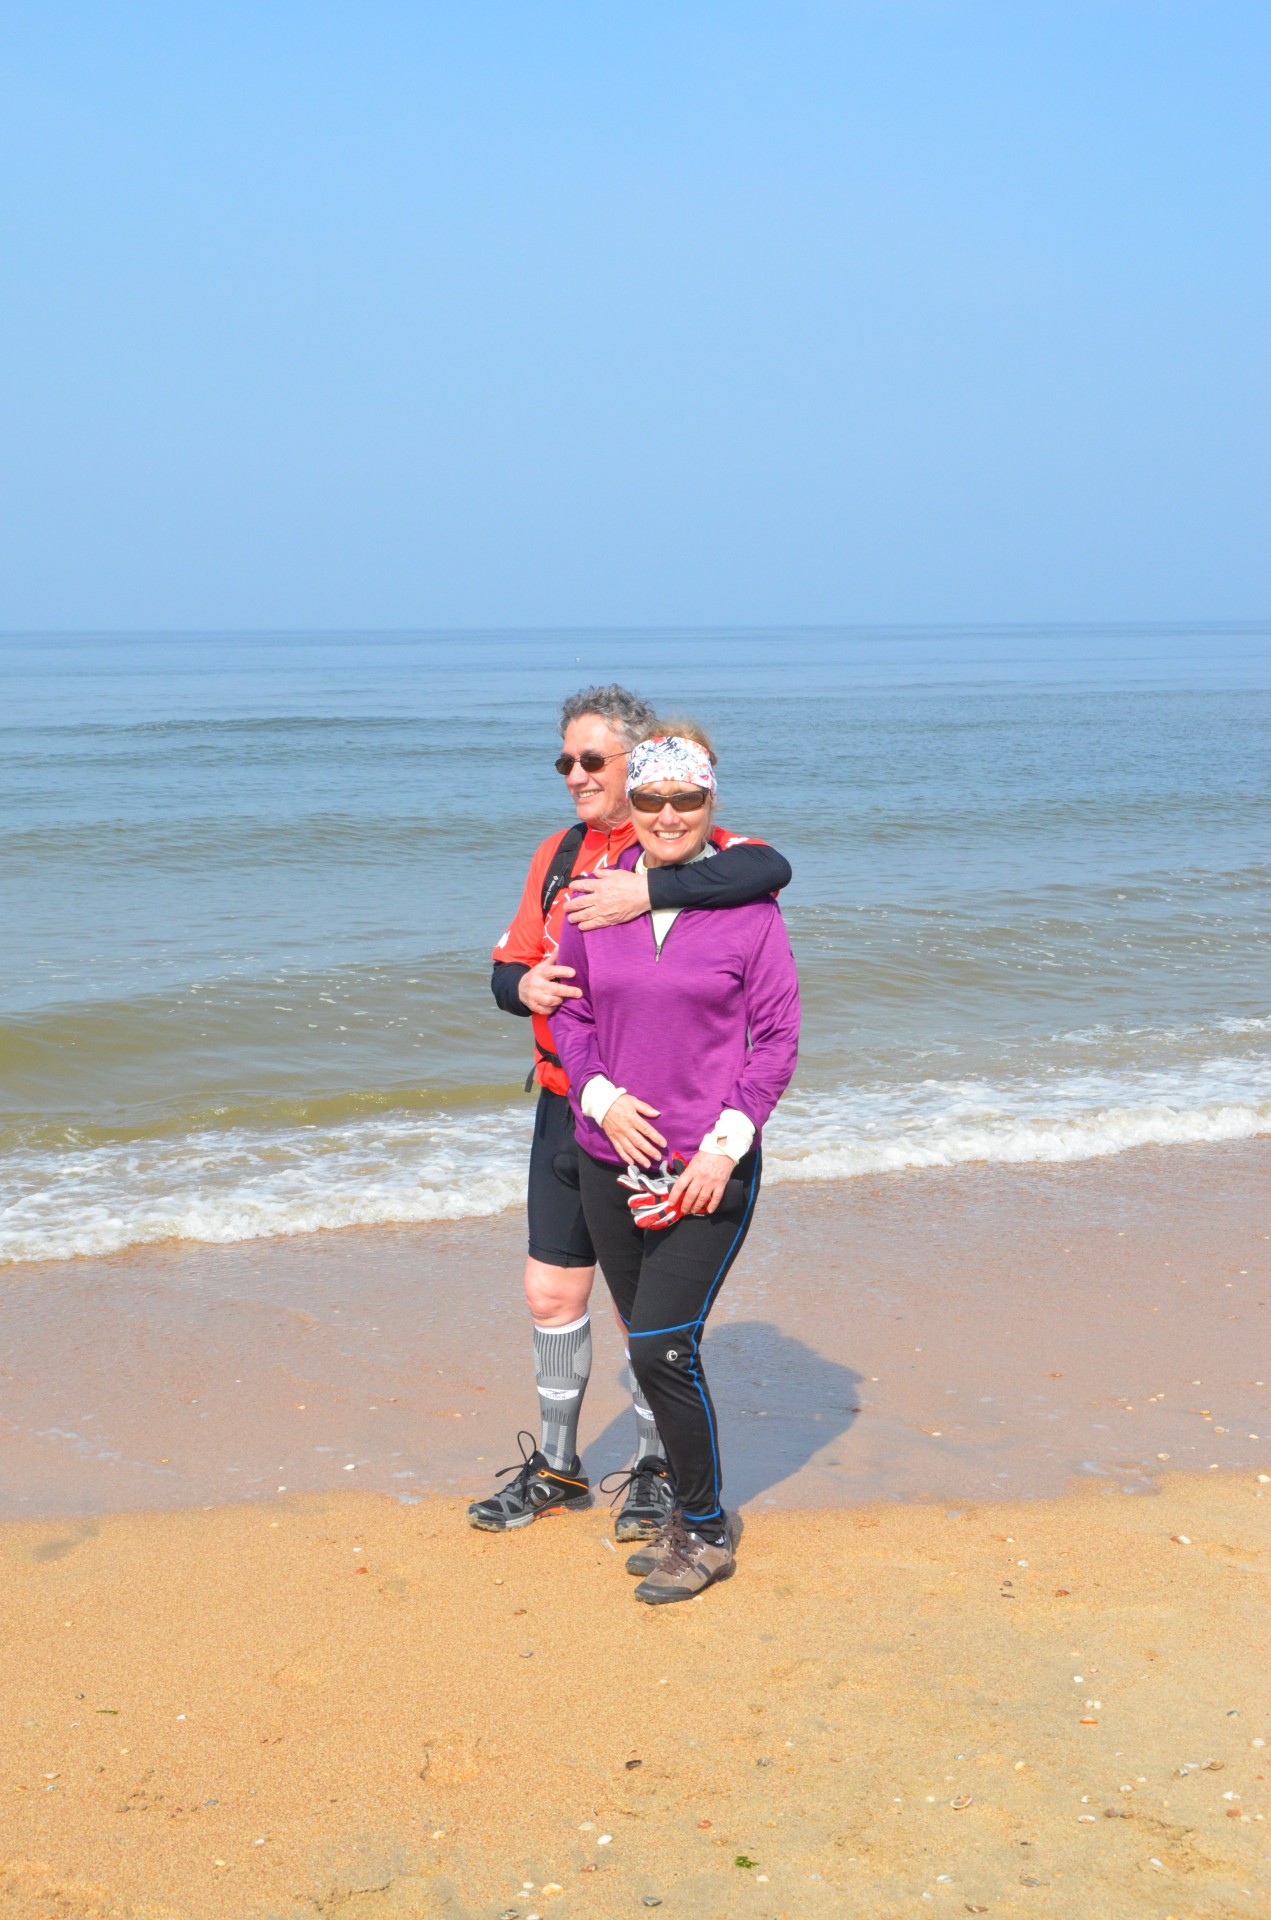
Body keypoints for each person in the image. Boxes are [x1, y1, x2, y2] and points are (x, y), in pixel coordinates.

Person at [468, 687, 791, 1538]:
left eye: (591, 761)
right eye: (563, 761)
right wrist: (522, 987)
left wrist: (645, 892)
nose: (575, 776)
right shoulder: (562, 852)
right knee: (548, 1292)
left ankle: (656, 1471)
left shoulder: (711, 850)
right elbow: (511, 970)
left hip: (661, 1124)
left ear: (642, 761)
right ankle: (558, 1464)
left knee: (641, 1317)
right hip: (567, 1107)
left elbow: (769, 872)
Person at [550, 729, 800, 1602]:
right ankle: (690, 1513)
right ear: (633, 805)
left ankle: (700, 1527)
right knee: (654, 1340)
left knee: (659, 1346)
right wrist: (601, 1101)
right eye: (650, 800)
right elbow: (570, 1016)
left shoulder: (749, 912)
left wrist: (724, 1148)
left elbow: (775, 1042)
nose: (665, 816)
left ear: (708, 807)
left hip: (705, 1168)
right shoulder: (591, 902)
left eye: (684, 801)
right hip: (604, 1158)